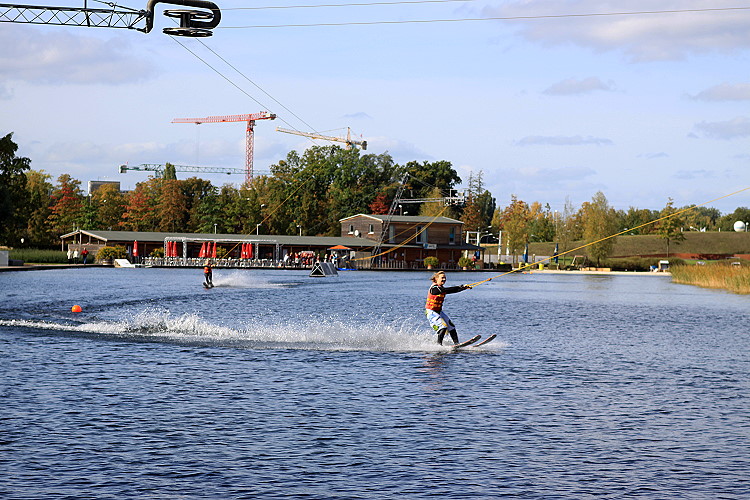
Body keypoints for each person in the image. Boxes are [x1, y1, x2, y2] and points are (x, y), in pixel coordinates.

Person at [425, 271, 471, 345]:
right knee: (443, 328)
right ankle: (438, 345)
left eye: (445, 278)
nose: (444, 279)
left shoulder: (441, 288)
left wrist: (463, 288)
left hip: (439, 312)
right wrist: (460, 287)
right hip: (431, 312)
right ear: (436, 279)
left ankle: (457, 344)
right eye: (442, 278)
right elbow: (446, 290)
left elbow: (451, 290)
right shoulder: (434, 288)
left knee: (451, 327)